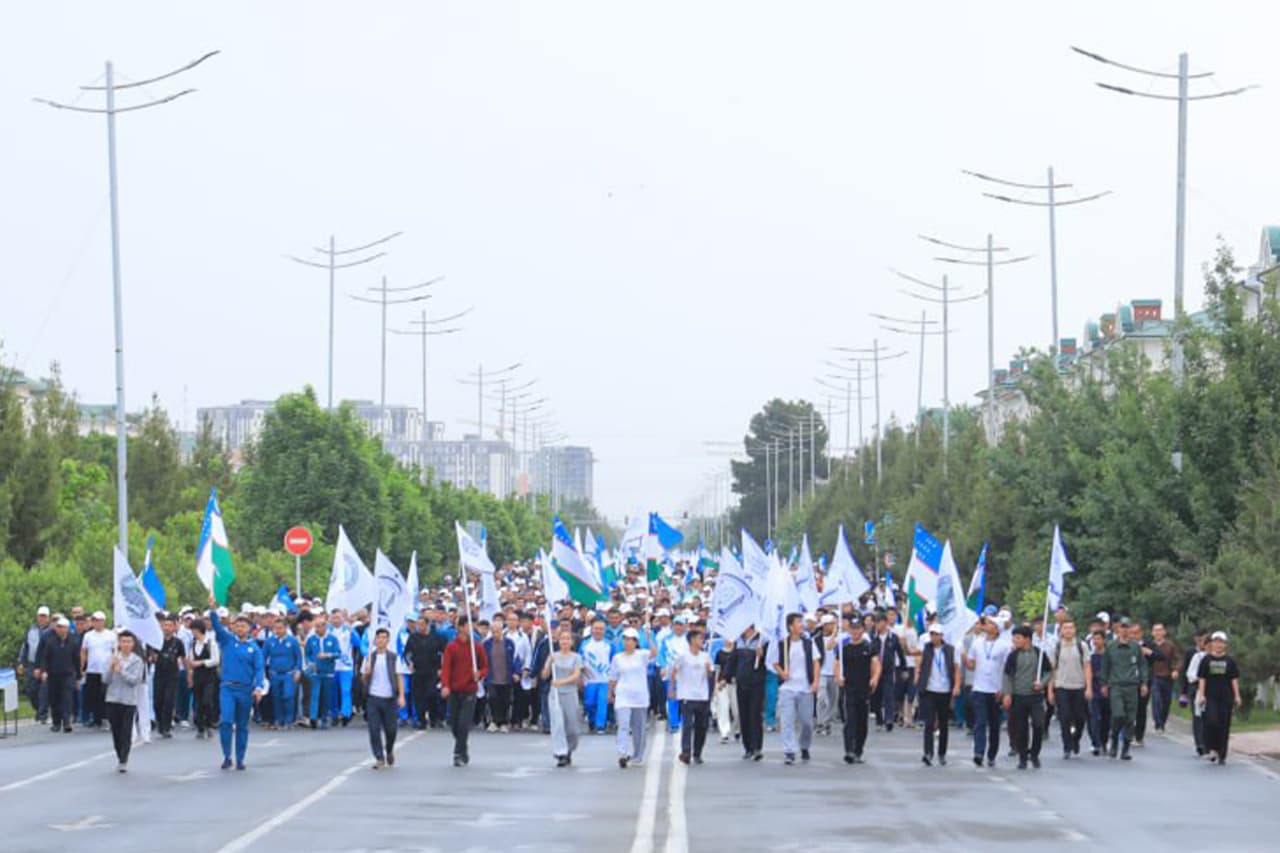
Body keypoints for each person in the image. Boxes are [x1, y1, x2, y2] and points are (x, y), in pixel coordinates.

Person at [208, 596, 265, 771]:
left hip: (245, 690)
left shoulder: (254, 648)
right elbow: (217, 626)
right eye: (237, 625)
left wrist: (258, 687)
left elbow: (259, 669)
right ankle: (227, 756)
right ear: (233, 627)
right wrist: (212, 610)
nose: (240, 628)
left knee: (242, 725)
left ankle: (240, 758)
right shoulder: (227, 640)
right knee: (226, 721)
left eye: (244, 625)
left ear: (249, 628)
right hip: (227, 687)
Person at [772, 613, 820, 766]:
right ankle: (789, 751)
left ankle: (804, 746)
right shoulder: (782, 644)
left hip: (805, 687)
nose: (801, 625)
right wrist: (782, 673)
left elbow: (816, 662)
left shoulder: (808, 643)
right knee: (787, 721)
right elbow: (774, 662)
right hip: (787, 688)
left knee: (807, 722)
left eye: (801, 622)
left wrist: (815, 682)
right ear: (790, 626)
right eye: (798, 622)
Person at [441, 614, 488, 767]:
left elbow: (485, 666)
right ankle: (463, 747)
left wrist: (479, 674)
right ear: (460, 627)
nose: (470, 628)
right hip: (454, 691)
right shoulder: (451, 647)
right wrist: (445, 685)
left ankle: (457, 753)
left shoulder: (477, 647)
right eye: (467, 625)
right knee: (454, 724)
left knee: (463, 723)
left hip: (470, 690)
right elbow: (446, 668)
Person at [1099, 617, 1149, 761]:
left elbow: (1142, 666)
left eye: (1127, 627)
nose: (1124, 630)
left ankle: (1125, 748)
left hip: (1132, 686)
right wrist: (1104, 684)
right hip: (1116, 686)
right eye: (1122, 627)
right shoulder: (1111, 647)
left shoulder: (1135, 647)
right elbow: (1105, 667)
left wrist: (1144, 683)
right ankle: (1114, 740)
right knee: (1118, 714)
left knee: (1130, 718)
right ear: (1118, 629)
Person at [1003, 626, 1051, 770]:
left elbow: (1048, 672)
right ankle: (1022, 757)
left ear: (1027, 639)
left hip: (1035, 696)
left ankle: (1034, 754)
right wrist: (1007, 694)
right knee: (1021, 728)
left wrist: (1041, 683)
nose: (1015, 640)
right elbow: (1007, 675)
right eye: (1014, 637)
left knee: (1038, 725)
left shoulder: (1039, 653)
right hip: (1018, 696)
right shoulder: (1013, 655)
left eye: (1018, 638)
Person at [964, 616, 1009, 768]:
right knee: (980, 722)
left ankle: (992, 754)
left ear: (997, 629)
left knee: (994, 725)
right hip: (979, 688)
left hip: (996, 690)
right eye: (987, 623)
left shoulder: (1004, 646)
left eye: (991, 624)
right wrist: (965, 658)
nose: (987, 625)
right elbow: (971, 664)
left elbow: (1007, 670)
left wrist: (1004, 689)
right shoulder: (977, 643)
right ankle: (979, 753)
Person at [835, 619, 880, 764]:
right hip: (849, 688)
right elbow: (837, 663)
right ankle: (849, 750)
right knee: (850, 719)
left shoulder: (869, 646)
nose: (855, 631)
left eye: (858, 628)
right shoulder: (844, 648)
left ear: (862, 630)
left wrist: (874, 678)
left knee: (862, 722)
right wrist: (838, 677)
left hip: (864, 688)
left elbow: (876, 664)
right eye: (853, 629)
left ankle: (858, 750)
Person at [1047, 618, 1092, 759]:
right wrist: (1050, 690)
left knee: (1080, 717)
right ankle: (1067, 745)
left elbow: (1087, 667)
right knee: (1064, 717)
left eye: (1071, 628)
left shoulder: (1082, 646)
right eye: (1065, 628)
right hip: (1062, 686)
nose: (1068, 631)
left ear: (1075, 630)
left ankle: (1076, 739)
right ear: (1061, 630)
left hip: (1078, 686)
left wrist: (1088, 687)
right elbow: (1052, 670)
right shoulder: (1057, 647)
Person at [608, 627, 653, 769]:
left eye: (631, 640)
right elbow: (613, 677)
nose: (628, 643)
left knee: (639, 728)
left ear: (636, 642)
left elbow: (655, 653)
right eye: (625, 640)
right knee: (623, 725)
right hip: (623, 695)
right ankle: (623, 753)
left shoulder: (643, 655)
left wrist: (649, 637)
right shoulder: (617, 658)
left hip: (640, 696)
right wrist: (610, 692)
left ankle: (638, 755)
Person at [917, 622, 960, 766]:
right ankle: (928, 752)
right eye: (932, 634)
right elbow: (917, 659)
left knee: (943, 723)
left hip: (945, 689)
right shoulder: (926, 649)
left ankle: (942, 753)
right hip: (929, 689)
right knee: (929, 723)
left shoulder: (949, 650)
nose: (934, 637)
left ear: (942, 636)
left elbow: (956, 668)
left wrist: (956, 686)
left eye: (937, 634)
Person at [362, 627, 406, 769]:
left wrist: (401, 696)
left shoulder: (393, 657)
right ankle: (379, 757)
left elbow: (399, 676)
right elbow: (363, 679)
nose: (381, 640)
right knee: (374, 729)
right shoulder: (369, 657)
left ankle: (389, 749)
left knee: (391, 729)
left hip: (389, 698)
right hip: (374, 697)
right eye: (379, 637)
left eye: (384, 637)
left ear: (388, 640)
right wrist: (366, 672)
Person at [1196, 631, 1241, 765]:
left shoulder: (1230, 661)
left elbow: (1234, 679)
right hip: (1210, 696)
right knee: (1211, 721)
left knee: (1224, 724)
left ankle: (1222, 754)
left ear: (1225, 645)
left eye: (1221, 642)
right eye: (1215, 642)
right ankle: (1212, 748)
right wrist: (1201, 694)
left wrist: (1237, 695)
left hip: (1226, 697)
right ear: (1211, 644)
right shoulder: (1206, 660)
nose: (1218, 645)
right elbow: (1202, 678)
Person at [104, 630, 147, 773]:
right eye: (123, 641)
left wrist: (121, 670)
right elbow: (105, 679)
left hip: (129, 701)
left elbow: (134, 681)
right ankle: (119, 754)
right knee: (116, 731)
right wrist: (111, 668)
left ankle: (124, 759)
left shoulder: (137, 660)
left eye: (129, 642)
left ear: (133, 644)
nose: (126, 644)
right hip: (113, 698)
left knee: (126, 731)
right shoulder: (113, 657)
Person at [672, 627, 713, 765]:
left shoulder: (705, 656)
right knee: (687, 725)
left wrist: (708, 670)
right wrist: (672, 689)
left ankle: (697, 753)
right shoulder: (683, 656)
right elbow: (674, 672)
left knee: (701, 726)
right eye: (699, 638)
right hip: (686, 695)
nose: (702, 641)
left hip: (702, 695)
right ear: (692, 640)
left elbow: (710, 675)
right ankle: (686, 752)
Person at [544, 627, 584, 767]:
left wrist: (562, 681)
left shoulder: (576, 657)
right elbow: (544, 675)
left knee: (572, 726)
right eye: (562, 639)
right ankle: (561, 752)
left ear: (571, 642)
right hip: (555, 694)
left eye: (567, 639)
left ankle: (570, 749)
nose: (565, 641)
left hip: (570, 693)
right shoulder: (553, 655)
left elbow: (576, 675)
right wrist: (549, 663)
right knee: (558, 724)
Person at [35, 616, 79, 733]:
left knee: (67, 698)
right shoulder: (51, 642)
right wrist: (43, 671)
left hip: (67, 674)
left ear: (67, 629)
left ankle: (66, 722)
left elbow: (76, 660)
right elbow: (45, 658)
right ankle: (56, 722)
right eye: (59, 627)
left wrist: (78, 676)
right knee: (54, 699)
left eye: (63, 627)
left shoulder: (73, 642)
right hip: (53, 674)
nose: (61, 630)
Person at [404, 612, 447, 729]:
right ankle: (421, 720)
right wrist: (410, 663)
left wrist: (441, 668)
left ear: (427, 625)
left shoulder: (437, 638)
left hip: (433, 671)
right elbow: (407, 653)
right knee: (418, 697)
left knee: (431, 694)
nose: (420, 627)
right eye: (418, 625)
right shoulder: (413, 637)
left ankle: (434, 717)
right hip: (418, 671)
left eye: (422, 624)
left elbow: (445, 654)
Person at [264, 617, 303, 730]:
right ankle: (278, 719)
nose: (278, 631)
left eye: (280, 628)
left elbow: (298, 657)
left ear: (286, 628)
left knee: (288, 696)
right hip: (274, 673)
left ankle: (288, 720)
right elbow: (263, 657)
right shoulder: (269, 641)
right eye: (276, 628)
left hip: (289, 673)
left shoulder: (292, 641)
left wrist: (298, 670)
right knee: (276, 697)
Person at [79, 611, 115, 730]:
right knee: (93, 695)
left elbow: (115, 651)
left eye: (100, 620)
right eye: (95, 620)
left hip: (105, 669)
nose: (97, 623)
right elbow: (84, 651)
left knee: (104, 695)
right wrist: (82, 666)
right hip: (92, 669)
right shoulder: (88, 635)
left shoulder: (110, 635)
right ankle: (96, 718)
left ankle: (105, 718)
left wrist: (113, 666)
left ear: (103, 622)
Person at [151, 615, 186, 739]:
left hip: (172, 676)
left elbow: (183, 658)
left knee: (168, 701)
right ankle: (160, 723)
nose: (167, 628)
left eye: (170, 625)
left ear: (174, 627)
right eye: (165, 625)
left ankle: (166, 727)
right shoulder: (156, 641)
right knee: (157, 701)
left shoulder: (178, 642)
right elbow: (152, 657)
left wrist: (188, 673)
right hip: (159, 675)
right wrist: (152, 657)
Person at [187, 617, 221, 739]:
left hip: (209, 676)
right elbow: (191, 659)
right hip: (197, 676)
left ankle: (209, 724)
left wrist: (201, 662)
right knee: (198, 702)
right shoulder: (193, 643)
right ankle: (200, 727)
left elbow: (216, 660)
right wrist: (190, 673)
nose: (193, 632)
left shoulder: (210, 643)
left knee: (207, 701)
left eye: (194, 630)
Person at [872, 615, 906, 731]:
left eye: (880, 622)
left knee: (889, 694)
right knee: (876, 696)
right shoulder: (873, 638)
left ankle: (889, 718)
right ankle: (879, 719)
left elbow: (900, 654)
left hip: (888, 669)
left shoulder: (893, 638)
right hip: (875, 670)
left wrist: (903, 668)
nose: (878, 625)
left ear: (885, 623)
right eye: (876, 623)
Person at [482, 615, 516, 733]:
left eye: (497, 631)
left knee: (505, 700)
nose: (495, 634)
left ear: (502, 631)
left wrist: (516, 672)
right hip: (492, 677)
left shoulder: (509, 643)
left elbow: (514, 659)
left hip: (506, 677)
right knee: (493, 698)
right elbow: (483, 660)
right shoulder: (487, 644)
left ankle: (504, 722)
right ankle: (494, 721)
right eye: (493, 631)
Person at [579, 618, 613, 734]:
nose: (598, 631)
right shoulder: (585, 644)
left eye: (601, 629)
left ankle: (600, 726)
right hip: (589, 680)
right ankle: (592, 721)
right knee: (589, 703)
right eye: (596, 628)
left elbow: (615, 662)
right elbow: (579, 661)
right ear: (591, 630)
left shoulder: (609, 645)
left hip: (605, 679)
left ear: (604, 631)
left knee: (602, 702)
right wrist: (580, 675)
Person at [18, 605, 51, 724]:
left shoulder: (51, 631)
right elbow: (25, 646)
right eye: (40, 616)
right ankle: (38, 710)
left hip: (45, 664)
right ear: (37, 617)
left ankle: (43, 715)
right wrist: (21, 662)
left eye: (44, 616)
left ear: (48, 617)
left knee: (44, 690)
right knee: (31, 690)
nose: (42, 618)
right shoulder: (31, 630)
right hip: (32, 664)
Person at [1148, 622, 1180, 734]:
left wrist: (1176, 670)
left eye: (1160, 630)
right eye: (1155, 630)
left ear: (1164, 632)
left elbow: (1177, 659)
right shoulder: (1149, 646)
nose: (1158, 633)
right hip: (1154, 676)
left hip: (1167, 676)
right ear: (1152, 633)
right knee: (1156, 700)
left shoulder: (1170, 645)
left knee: (1166, 702)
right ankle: (1158, 723)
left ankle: (1163, 721)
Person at [815, 614, 841, 736]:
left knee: (832, 700)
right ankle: (821, 721)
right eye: (831, 623)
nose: (833, 626)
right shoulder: (816, 639)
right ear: (825, 625)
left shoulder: (840, 639)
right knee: (822, 698)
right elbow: (828, 647)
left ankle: (827, 722)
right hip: (822, 672)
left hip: (834, 673)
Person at [1087, 631, 1111, 756]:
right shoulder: (1090, 656)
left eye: (1098, 639)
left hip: (1107, 690)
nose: (1096, 642)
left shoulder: (1110, 656)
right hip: (1094, 690)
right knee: (1094, 717)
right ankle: (1095, 743)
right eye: (1094, 639)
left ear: (1104, 640)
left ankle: (1104, 740)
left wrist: (1107, 685)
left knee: (1106, 718)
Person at [713, 637, 739, 744]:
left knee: (737, 710)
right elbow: (717, 669)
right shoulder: (719, 653)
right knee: (723, 708)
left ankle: (738, 729)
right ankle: (724, 732)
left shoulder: (737, 652)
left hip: (735, 683)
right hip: (722, 684)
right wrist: (716, 683)